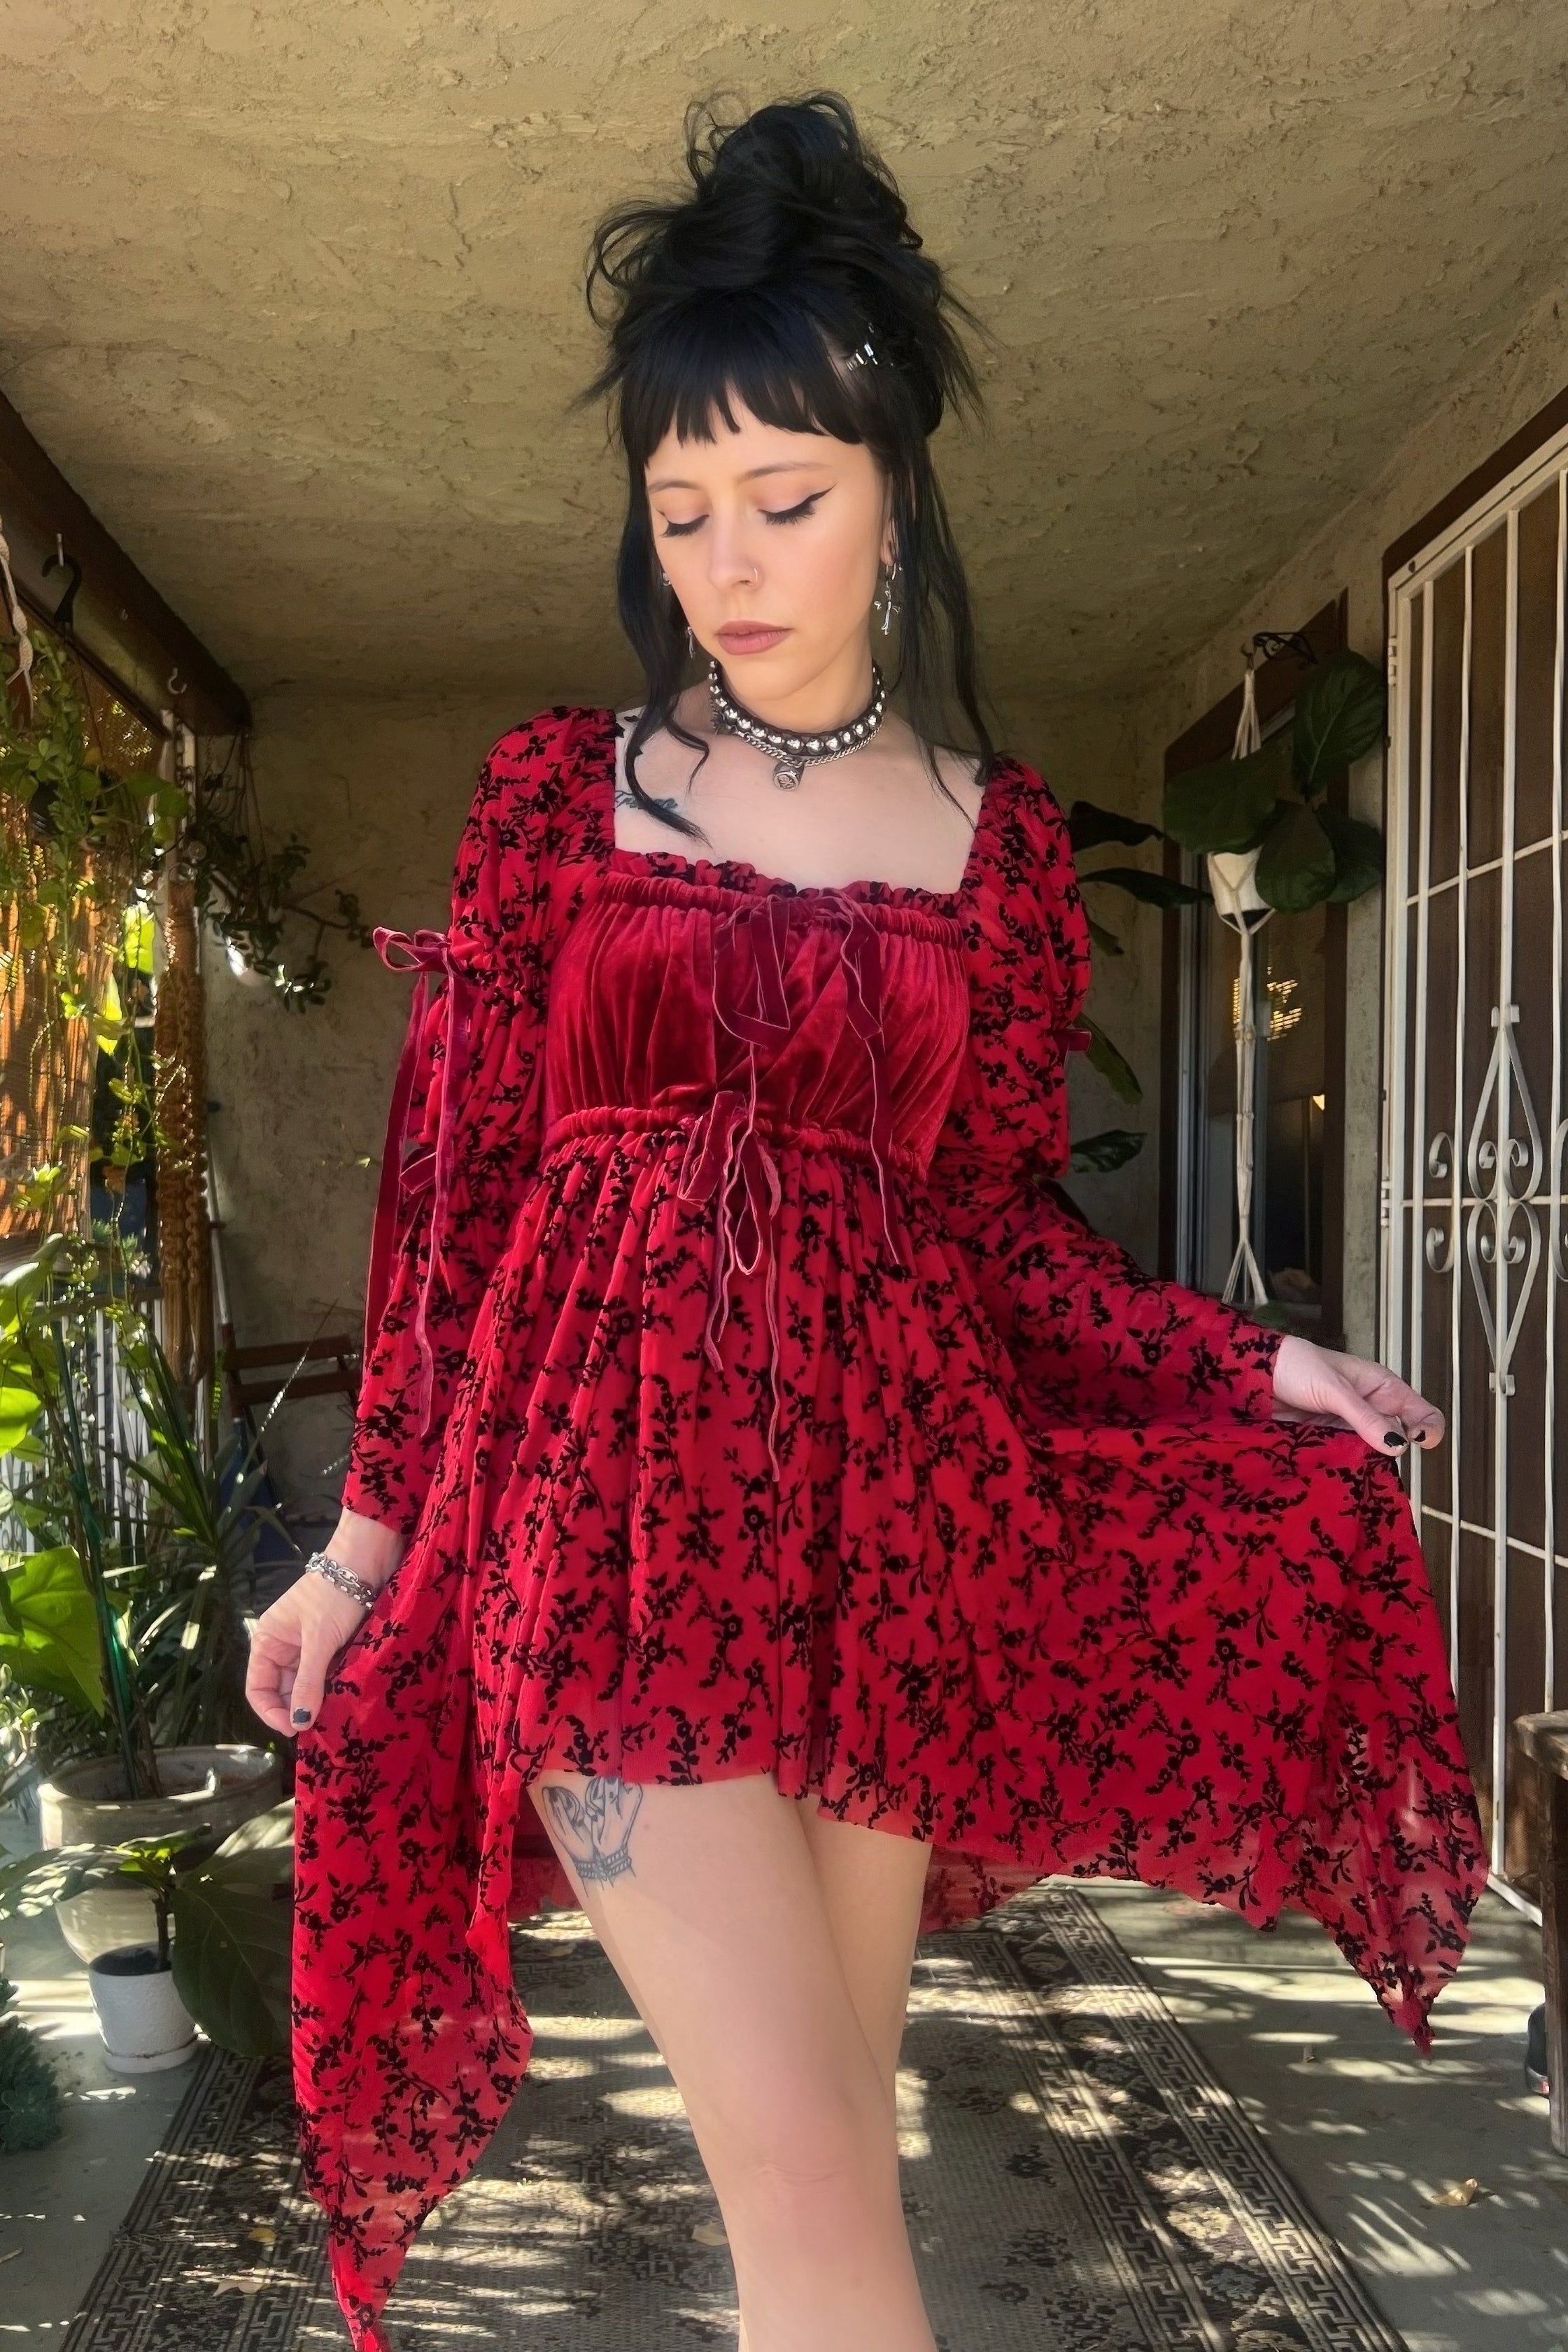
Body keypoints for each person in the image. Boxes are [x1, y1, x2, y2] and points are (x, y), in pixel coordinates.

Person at [246, 90, 1486, 2352]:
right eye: (680, 507)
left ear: (893, 492)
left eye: (784, 498)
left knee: (822, 2186)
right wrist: (361, 1546)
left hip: (889, 1549)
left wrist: (1250, 1362)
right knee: (812, 2185)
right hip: (602, 1533)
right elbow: (458, 1204)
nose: (724, 559)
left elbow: (997, 1244)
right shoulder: (559, 794)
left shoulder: (1001, 852)